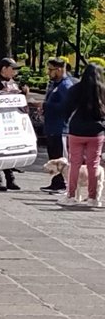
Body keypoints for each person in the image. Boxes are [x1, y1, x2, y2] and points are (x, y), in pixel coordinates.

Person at [61, 63, 105, 207]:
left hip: (77, 130)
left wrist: (68, 120)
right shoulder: (102, 90)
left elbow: (66, 107)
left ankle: (71, 195)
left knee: (74, 163)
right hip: (96, 131)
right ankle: (93, 198)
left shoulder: (76, 89)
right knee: (93, 165)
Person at [0, 57, 29, 191]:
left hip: (12, 120)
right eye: (12, 69)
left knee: (10, 150)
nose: (14, 72)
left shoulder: (13, 82)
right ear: (4, 69)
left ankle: (10, 179)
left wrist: (23, 93)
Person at [41, 58, 77, 194]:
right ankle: (56, 182)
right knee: (53, 156)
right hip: (52, 126)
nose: (48, 72)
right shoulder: (55, 84)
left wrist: (45, 105)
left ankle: (64, 184)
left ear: (60, 69)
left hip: (60, 127)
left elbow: (67, 106)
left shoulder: (65, 86)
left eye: (51, 70)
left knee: (61, 158)